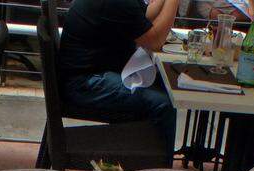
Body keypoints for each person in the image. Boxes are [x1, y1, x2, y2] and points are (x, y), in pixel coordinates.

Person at [57, 0, 179, 146]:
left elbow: (144, 15)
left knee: (161, 85)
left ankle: (141, 157)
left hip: (89, 75)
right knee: (163, 103)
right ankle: (156, 166)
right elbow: (155, 41)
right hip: (85, 84)